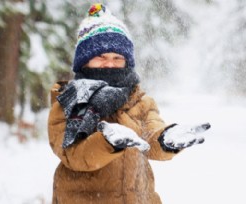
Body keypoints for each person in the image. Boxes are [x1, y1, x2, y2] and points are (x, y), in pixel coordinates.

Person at [48, 3, 211, 204]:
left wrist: (165, 139)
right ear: (84, 61)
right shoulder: (72, 100)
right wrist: (107, 142)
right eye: (101, 56)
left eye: (117, 57)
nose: (110, 63)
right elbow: (74, 155)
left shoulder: (140, 101)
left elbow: (151, 137)